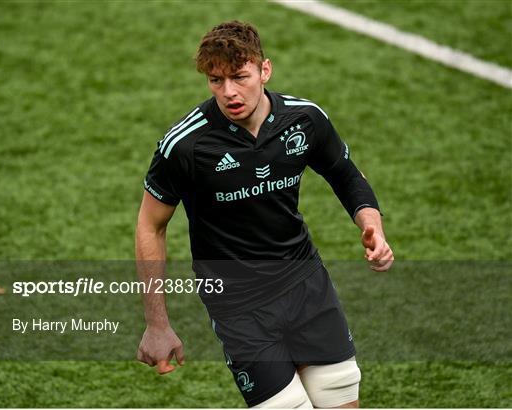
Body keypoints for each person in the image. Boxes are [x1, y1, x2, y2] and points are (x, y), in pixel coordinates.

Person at [135, 20, 393, 408]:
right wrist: (157, 323)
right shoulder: (185, 146)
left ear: (264, 70)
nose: (229, 92)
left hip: (307, 288)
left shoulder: (304, 120)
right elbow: (150, 226)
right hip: (240, 308)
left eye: (240, 77)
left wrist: (371, 223)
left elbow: (345, 174)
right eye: (216, 81)